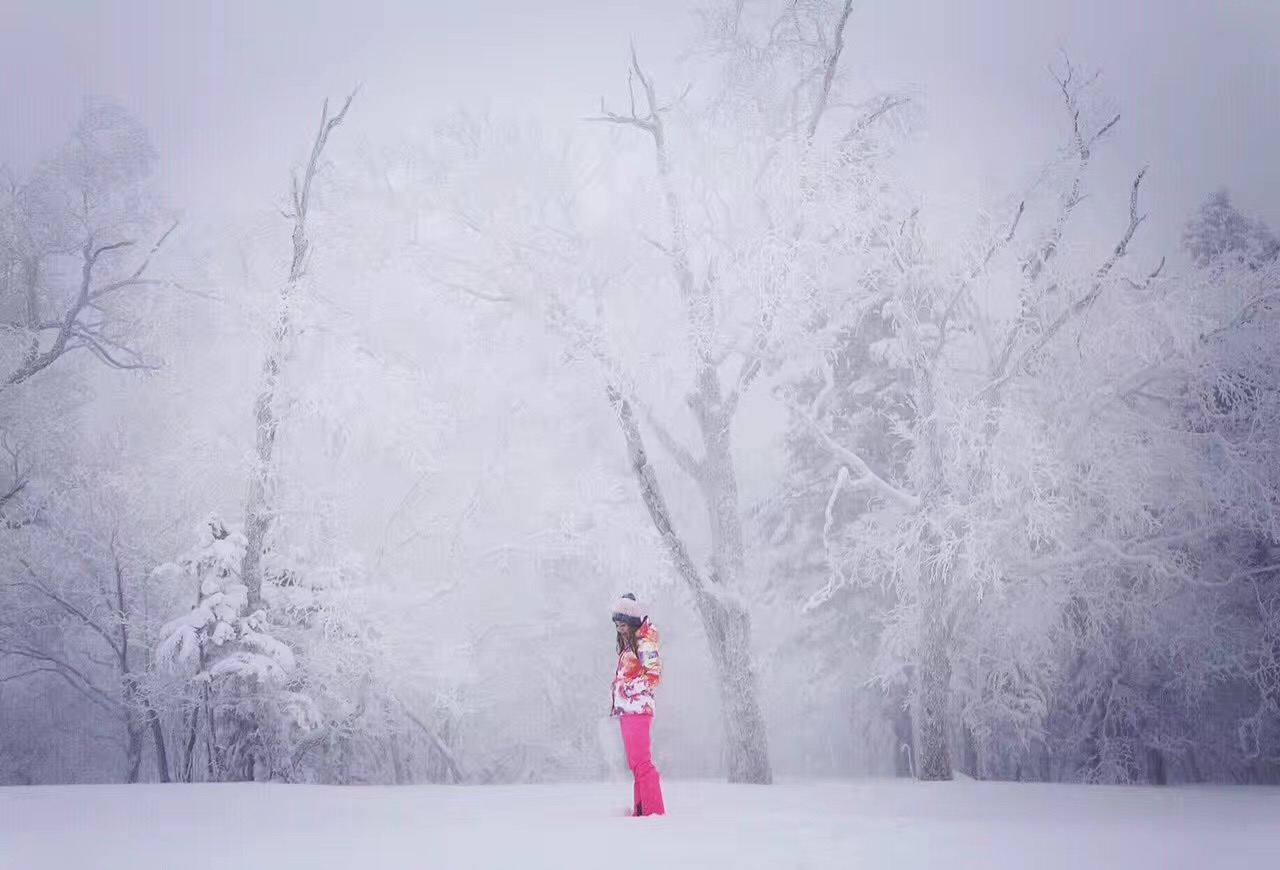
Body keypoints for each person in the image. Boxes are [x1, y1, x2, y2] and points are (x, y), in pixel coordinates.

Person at [609, 593, 665, 816]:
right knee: (635, 764)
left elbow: (654, 675)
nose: (620, 629)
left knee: (642, 763)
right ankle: (641, 811)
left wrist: (626, 689)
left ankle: (653, 813)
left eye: (623, 624)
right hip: (628, 709)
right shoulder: (629, 644)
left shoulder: (644, 643)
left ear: (632, 622)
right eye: (617, 624)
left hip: (638, 708)